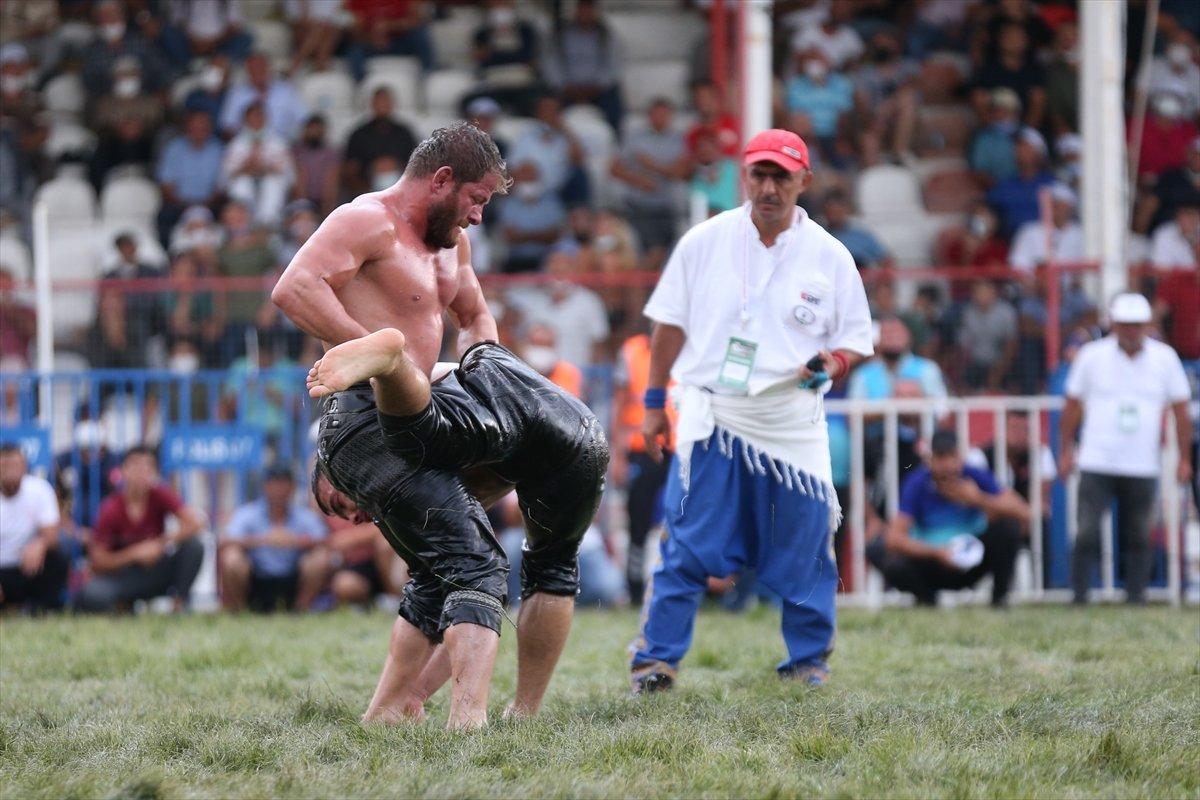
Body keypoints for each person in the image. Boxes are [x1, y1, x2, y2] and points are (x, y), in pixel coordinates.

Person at [272, 122, 606, 730]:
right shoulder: (365, 219)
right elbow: (294, 288)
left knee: (443, 563)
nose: (478, 216)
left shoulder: (453, 243)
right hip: (363, 418)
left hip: (432, 414)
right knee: (477, 560)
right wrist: (368, 348)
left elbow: (475, 314)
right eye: (476, 199)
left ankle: (389, 712)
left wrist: (486, 371)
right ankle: (468, 723)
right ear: (442, 180)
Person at [629, 129, 874, 693]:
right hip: (712, 410)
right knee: (686, 541)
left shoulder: (831, 255)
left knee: (809, 543)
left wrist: (833, 363)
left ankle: (808, 661)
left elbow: (859, 340)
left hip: (792, 417)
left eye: (780, 176)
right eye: (759, 174)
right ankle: (655, 662)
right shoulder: (704, 241)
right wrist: (652, 402)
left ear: (803, 182)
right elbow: (667, 324)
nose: (768, 187)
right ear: (744, 176)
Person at [1059, 293, 1193, 605]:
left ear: (1146, 325)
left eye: (1137, 325)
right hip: (1096, 458)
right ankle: (1079, 598)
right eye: (1125, 325)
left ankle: (1136, 598)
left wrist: (1184, 458)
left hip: (1142, 463)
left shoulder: (1165, 358)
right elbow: (1071, 408)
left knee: (1139, 534)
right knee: (1087, 533)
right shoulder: (1091, 356)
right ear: (1113, 325)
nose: (1131, 331)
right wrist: (1066, 451)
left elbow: (1181, 411)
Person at [867, 430, 1029, 607]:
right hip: (933, 561)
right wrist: (937, 553)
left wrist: (978, 499)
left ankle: (999, 599)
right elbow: (894, 538)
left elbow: (1023, 512)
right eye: (941, 457)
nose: (947, 466)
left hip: (973, 559)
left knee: (1008, 527)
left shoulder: (974, 476)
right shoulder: (917, 482)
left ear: (960, 457)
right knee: (878, 550)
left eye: (952, 457)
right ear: (930, 460)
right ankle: (927, 600)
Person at [76, 446, 206, 613]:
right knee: (93, 593)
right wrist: (135, 554)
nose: (142, 472)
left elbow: (195, 523)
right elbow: (98, 561)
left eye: (148, 467)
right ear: (123, 471)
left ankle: (179, 604)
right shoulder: (111, 508)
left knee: (194, 546)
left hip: (156, 570)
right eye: (136, 466)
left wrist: (159, 544)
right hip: (123, 574)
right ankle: (123, 606)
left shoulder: (160, 494)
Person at [219, 467, 329, 613]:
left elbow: (325, 540)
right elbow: (226, 540)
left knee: (321, 557)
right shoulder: (247, 513)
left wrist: (295, 541)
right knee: (231, 556)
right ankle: (240, 610)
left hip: (293, 578)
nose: (279, 490)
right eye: (274, 484)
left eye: (284, 484)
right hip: (256, 578)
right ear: (264, 486)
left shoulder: (305, 516)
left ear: (293, 487)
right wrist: (264, 540)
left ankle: (301, 609)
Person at [0, 444, 68, 613]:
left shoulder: (40, 489)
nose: (10, 471)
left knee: (57, 556)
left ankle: (41, 609)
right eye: (5, 466)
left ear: (24, 467)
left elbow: (52, 534)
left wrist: (41, 543)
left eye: (15, 465)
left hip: (27, 566)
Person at [343, 88, 419, 198]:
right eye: (379, 101)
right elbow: (350, 168)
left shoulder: (404, 133)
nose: (382, 105)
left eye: (386, 101)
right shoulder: (358, 134)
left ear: (392, 104)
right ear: (372, 104)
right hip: (367, 190)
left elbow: (417, 164)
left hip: (401, 188)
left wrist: (395, 166)